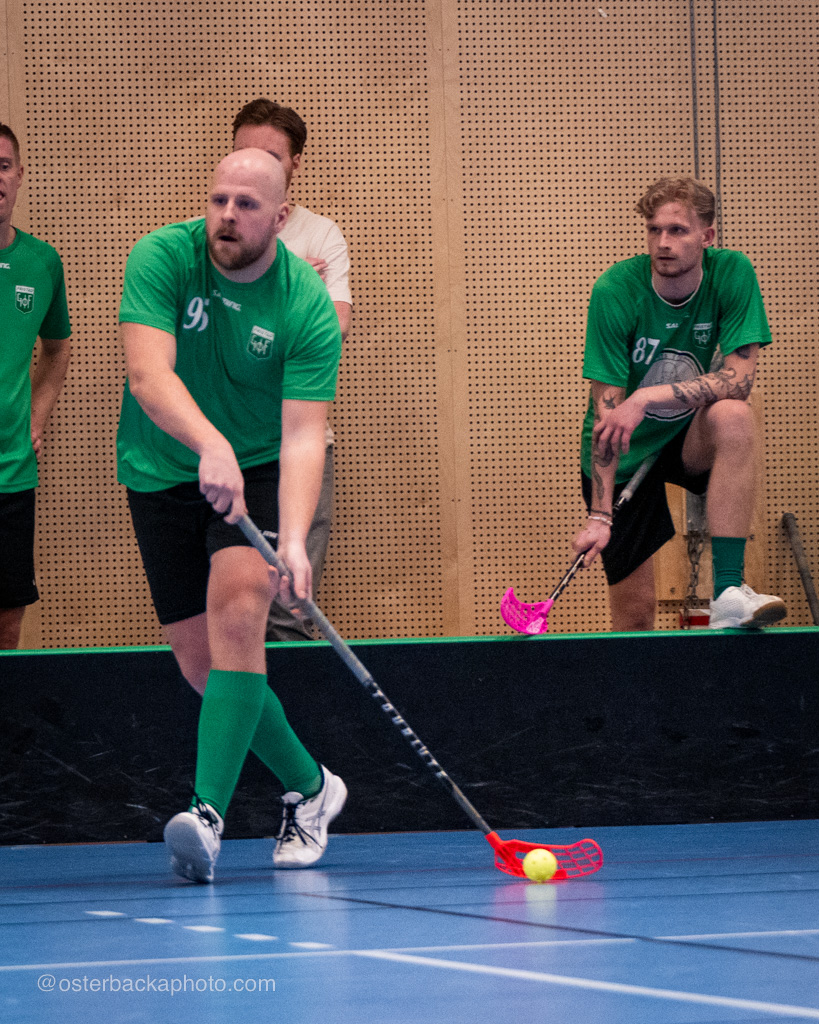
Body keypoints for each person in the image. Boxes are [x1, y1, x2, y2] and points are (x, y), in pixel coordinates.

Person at [116, 148, 346, 882]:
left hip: (259, 467)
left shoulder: (304, 306)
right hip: (161, 467)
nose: (227, 215)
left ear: (281, 216)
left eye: (247, 205)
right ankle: (312, 786)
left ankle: (206, 816)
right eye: (219, 199)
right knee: (202, 665)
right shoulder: (161, 256)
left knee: (241, 615)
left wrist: (296, 541)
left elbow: (304, 434)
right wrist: (208, 444)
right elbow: (148, 374)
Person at [572, 177, 786, 632]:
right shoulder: (615, 290)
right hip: (628, 451)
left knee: (735, 415)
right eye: (654, 230)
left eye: (677, 230)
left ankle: (728, 592)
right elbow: (608, 417)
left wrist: (647, 396)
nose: (663, 242)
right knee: (635, 615)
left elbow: (740, 380)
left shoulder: (731, 273)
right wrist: (600, 515)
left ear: (707, 236)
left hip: (689, 436)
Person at [232, 98, 352, 642]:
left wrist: (266, 295)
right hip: (225, 446)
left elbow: (335, 327)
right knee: (230, 613)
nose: (256, 165)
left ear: (295, 164)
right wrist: (295, 281)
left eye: (272, 156)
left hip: (300, 443)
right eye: (245, 152)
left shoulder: (320, 234)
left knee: (289, 613)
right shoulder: (217, 232)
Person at [0, 124, 71, 649]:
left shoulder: (42, 262)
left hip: (11, 474)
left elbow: (57, 349)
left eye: (3, 166)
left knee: (8, 620)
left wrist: (37, 419)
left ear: (19, 176)